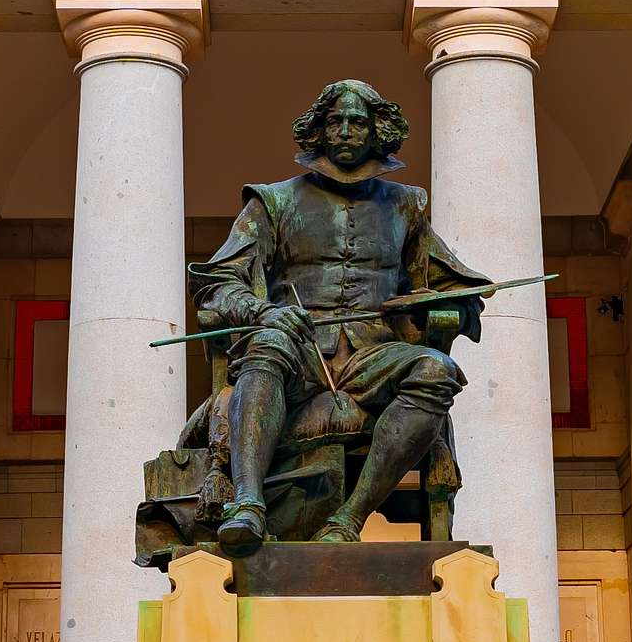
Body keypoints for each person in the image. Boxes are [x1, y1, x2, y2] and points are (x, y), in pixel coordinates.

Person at [190, 80, 491, 553]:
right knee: (267, 344)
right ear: (318, 130)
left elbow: (452, 286)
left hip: (375, 356)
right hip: (298, 349)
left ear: (377, 132)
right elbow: (217, 282)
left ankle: (348, 518)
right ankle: (247, 506)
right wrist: (263, 311)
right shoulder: (272, 202)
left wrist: (438, 304)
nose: (346, 131)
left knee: (437, 369)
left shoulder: (407, 205)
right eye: (335, 122)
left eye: (358, 122)